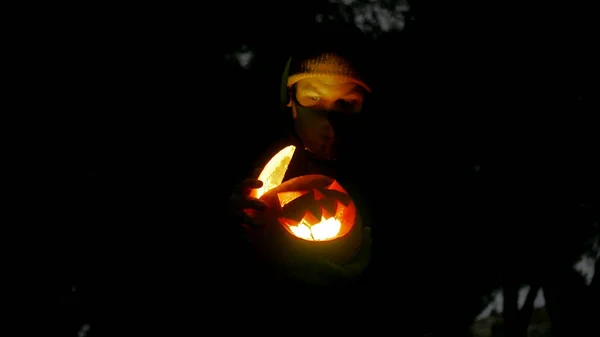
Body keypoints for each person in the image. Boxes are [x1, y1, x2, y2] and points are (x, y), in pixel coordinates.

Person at [228, 21, 376, 291]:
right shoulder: (250, 156)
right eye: (315, 99)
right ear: (291, 97)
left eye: (346, 103)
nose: (328, 119)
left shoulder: (377, 170)